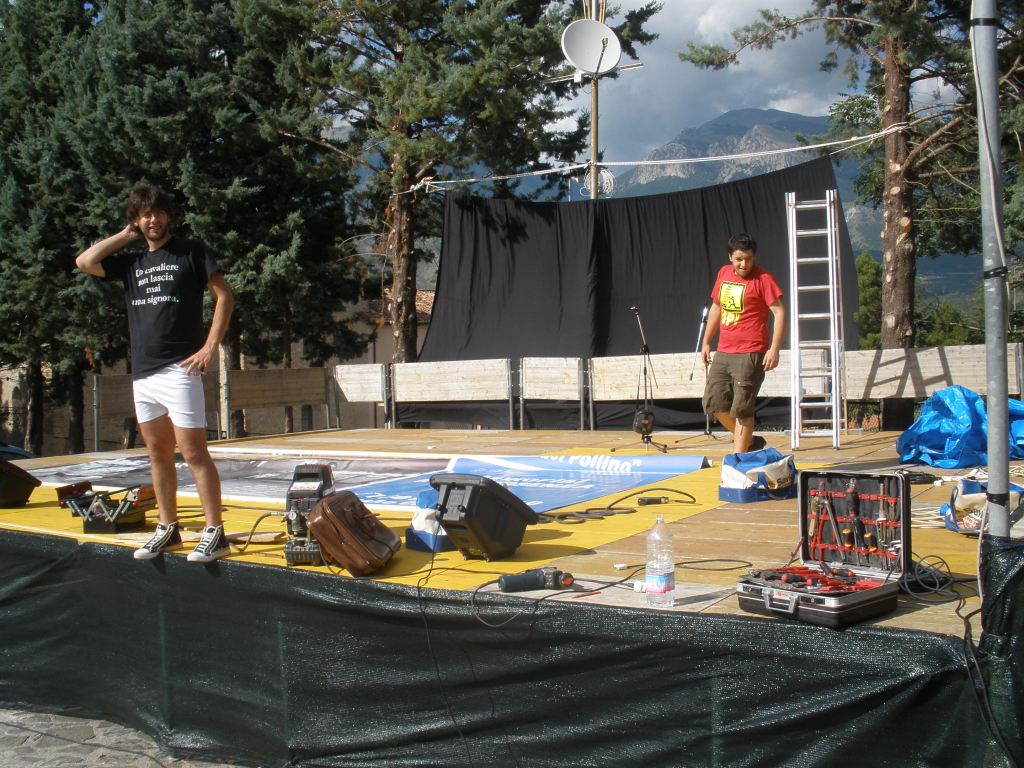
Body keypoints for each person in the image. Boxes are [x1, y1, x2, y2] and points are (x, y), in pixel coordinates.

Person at [76, 182, 235, 562]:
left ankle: (215, 532)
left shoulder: (190, 251)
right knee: (157, 452)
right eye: (145, 214)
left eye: (159, 212)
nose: (154, 219)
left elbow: (225, 296)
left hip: (180, 367)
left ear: (169, 216)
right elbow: (85, 261)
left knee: (193, 451)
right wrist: (126, 235)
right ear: (136, 219)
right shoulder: (131, 263)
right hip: (144, 373)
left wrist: (210, 347)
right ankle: (168, 528)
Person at [700, 232, 785, 455]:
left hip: (750, 351)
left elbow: (779, 312)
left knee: (742, 409)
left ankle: (739, 459)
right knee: (714, 403)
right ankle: (749, 442)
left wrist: (774, 349)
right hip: (724, 350)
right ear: (730, 257)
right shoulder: (724, 273)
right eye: (739, 259)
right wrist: (706, 341)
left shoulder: (763, 278)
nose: (744, 264)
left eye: (748, 259)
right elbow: (717, 307)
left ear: (754, 257)